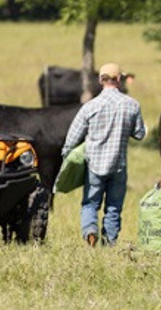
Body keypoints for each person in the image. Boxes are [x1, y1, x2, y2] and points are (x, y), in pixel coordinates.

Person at [62, 62, 147, 247]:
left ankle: (90, 230)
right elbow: (140, 134)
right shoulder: (132, 105)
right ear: (118, 79)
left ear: (101, 80)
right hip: (118, 166)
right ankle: (110, 243)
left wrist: (66, 155)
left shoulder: (90, 107)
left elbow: (73, 137)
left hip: (94, 166)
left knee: (90, 204)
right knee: (114, 208)